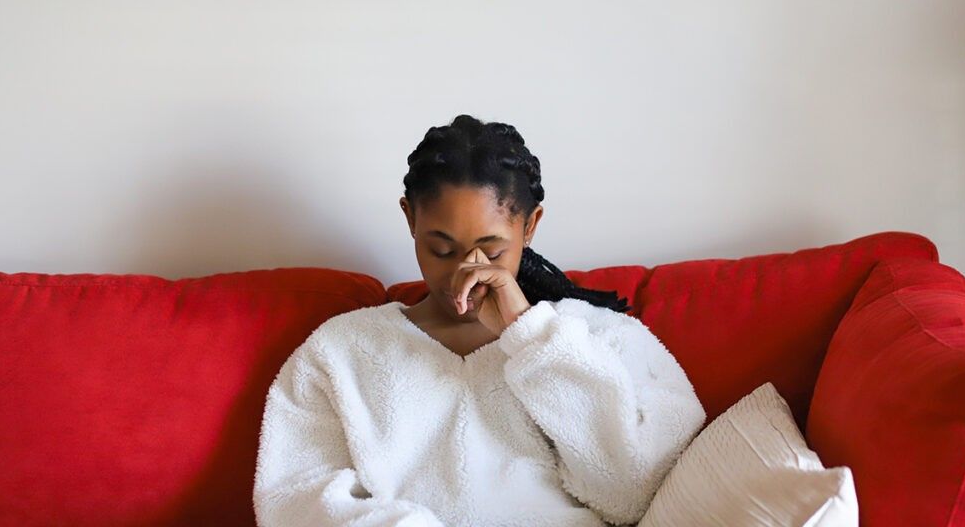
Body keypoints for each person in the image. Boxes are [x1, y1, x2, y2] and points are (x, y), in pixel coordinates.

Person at [253, 114, 706, 527]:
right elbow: (296, 500)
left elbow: (635, 496)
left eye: (491, 252)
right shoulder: (341, 350)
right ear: (410, 218)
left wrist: (531, 337)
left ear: (530, 227)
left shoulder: (603, 336)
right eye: (442, 249)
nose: (465, 272)